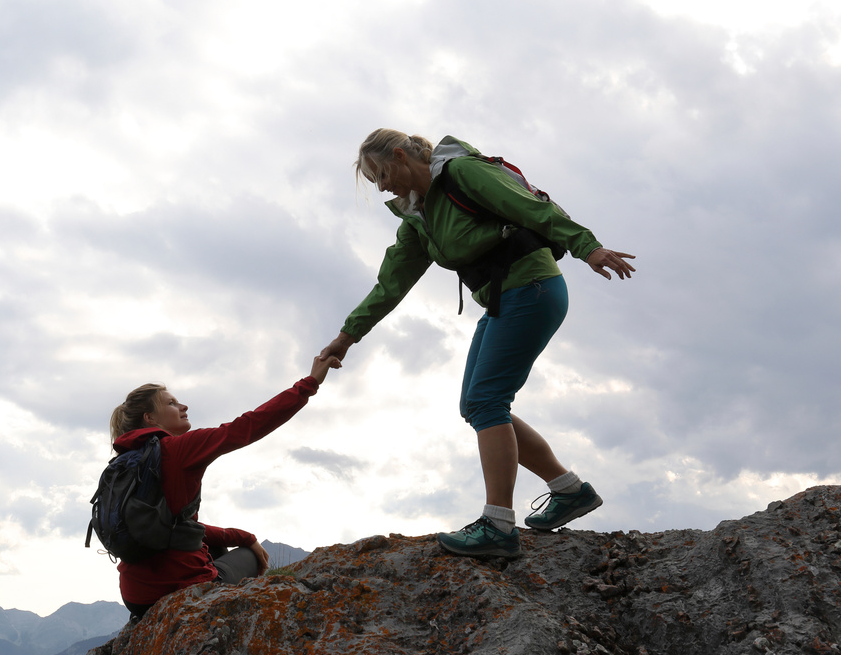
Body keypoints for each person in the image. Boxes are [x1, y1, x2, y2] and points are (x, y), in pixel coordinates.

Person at [319, 129, 635, 560]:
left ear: (398, 155)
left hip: (533, 287)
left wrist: (588, 247)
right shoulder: (419, 214)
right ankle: (569, 491)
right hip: (508, 298)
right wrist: (347, 336)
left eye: (380, 175)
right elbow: (392, 282)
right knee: (476, 404)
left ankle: (498, 525)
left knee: (488, 401)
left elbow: (530, 207)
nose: (381, 187)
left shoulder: (462, 172)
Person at [108, 354, 341, 618]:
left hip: (136, 597)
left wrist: (241, 535)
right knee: (250, 557)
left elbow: (166, 527)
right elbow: (247, 426)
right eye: (171, 403)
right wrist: (309, 383)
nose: (183, 406)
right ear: (149, 418)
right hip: (180, 589)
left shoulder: (123, 464)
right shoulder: (176, 449)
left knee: (216, 545)